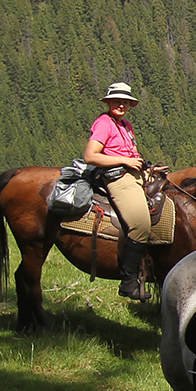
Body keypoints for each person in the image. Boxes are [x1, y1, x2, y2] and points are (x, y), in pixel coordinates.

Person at [84, 82, 162, 300]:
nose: (121, 104)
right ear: (108, 102)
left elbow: (130, 154)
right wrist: (125, 161)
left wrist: (149, 168)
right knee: (141, 226)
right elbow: (90, 156)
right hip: (117, 178)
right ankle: (128, 282)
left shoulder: (126, 125)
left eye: (125, 102)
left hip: (134, 174)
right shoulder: (104, 123)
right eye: (117, 101)